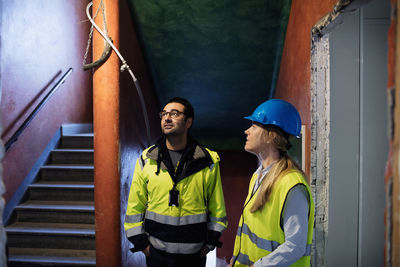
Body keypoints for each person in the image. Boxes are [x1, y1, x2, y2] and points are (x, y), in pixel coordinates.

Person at [124, 97, 228, 267]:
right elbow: (135, 206)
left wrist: (209, 244)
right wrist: (143, 246)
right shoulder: (147, 159)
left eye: (174, 113)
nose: (167, 118)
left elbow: (218, 209)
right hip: (157, 254)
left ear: (188, 122)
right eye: (164, 114)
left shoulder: (207, 161)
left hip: (194, 255)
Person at [230, 99, 315, 267]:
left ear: (271, 136)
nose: (247, 131)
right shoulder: (258, 176)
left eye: (254, 126)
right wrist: (235, 259)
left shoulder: (291, 185)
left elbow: (295, 246)